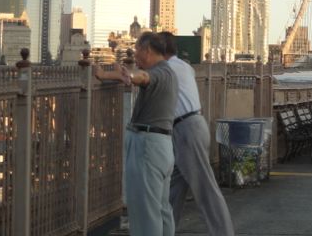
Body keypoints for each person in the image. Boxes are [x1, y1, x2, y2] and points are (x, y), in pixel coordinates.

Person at [95, 31, 177, 236]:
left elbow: (141, 77)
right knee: (161, 209)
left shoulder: (157, 73)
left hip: (147, 146)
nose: (135, 55)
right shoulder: (168, 72)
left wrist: (129, 75)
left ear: (147, 50)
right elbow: (134, 76)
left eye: (137, 50)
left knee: (144, 213)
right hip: (162, 145)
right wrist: (108, 75)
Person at [158, 32, 235, 235]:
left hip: (185, 129)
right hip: (190, 126)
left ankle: (222, 232)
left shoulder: (167, 68)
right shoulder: (184, 66)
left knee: (205, 188)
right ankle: (163, 229)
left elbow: (145, 78)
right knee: (173, 186)